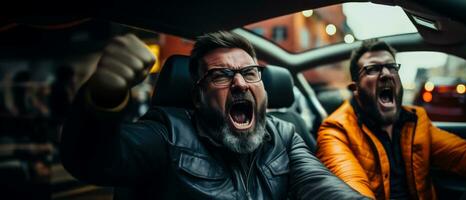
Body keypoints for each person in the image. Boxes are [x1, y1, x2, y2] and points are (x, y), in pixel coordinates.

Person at [60, 31, 367, 199]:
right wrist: (102, 98)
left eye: (250, 72)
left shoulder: (284, 134)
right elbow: (92, 159)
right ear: (198, 95)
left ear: (264, 88)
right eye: (221, 75)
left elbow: (322, 185)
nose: (239, 82)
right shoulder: (168, 133)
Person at [316, 39, 466, 200]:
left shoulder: (416, 120)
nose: (386, 74)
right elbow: (352, 195)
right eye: (373, 69)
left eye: (391, 67)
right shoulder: (335, 131)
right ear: (355, 88)